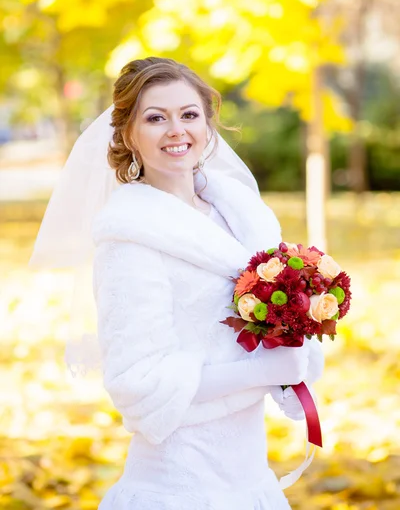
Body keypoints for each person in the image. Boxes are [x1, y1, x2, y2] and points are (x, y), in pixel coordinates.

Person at [32, 57, 325, 509]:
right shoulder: (130, 240)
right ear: (128, 133)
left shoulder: (242, 217)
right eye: (155, 118)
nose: (176, 130)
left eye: (189, 114)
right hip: (179, 487)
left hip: (250, 480)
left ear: (207, 123)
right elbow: (139, 384)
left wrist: (296, 355)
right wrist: (261, 372)